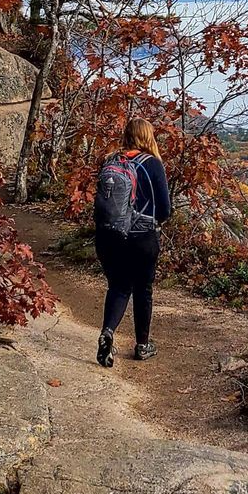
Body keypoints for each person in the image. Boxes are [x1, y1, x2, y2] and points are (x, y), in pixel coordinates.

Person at [92, 115, 171, 368]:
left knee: (118, 286)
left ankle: (108, 332)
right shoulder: (152, 164)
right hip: (141, 237)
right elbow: (165, 210)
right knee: (143, 289)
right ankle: (142, 345)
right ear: (148, 136)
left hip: (109, 237)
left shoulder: (111, 160)